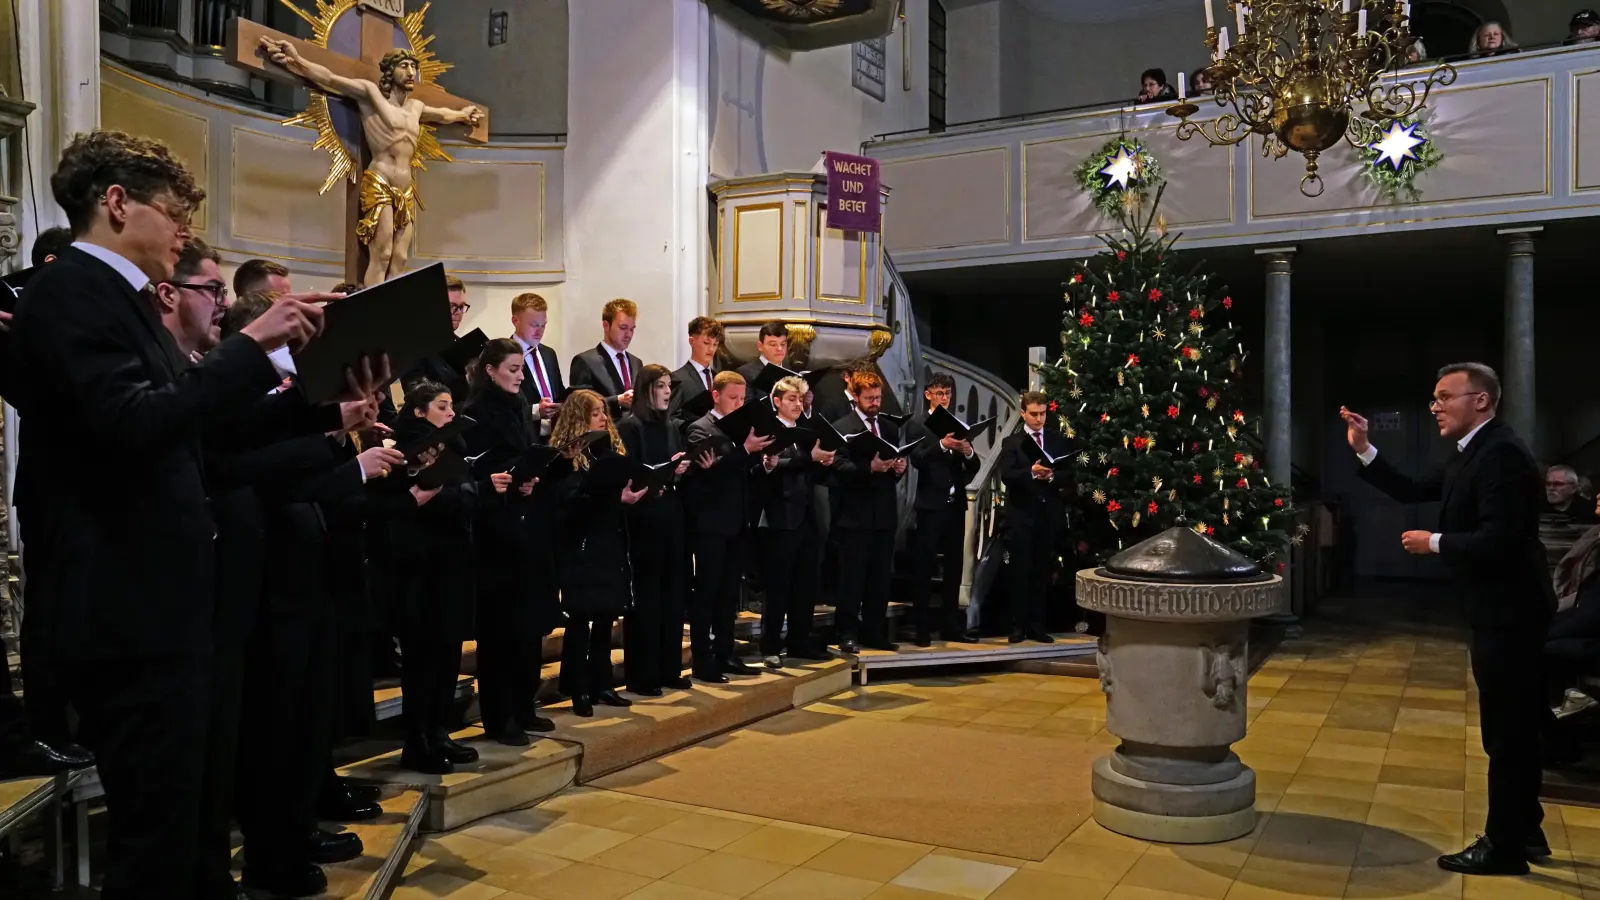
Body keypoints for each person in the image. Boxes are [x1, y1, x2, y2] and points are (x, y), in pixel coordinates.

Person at [10, 129, 333, 900]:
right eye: (172, 211)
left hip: (163, 612)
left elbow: (197, 432)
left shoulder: (118, 301)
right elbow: (133, 422)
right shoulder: (73, 292)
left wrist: (324, 410)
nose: (182, 230)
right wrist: (252, 346)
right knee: (153, 845)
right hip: (126, 614)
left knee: (183, 832)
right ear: (115, 203)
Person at [1340, 362, 1553, 876]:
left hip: (1512, 612)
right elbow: (1413, 486)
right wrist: (1364, 447)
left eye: (1444, 397)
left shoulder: (1500, 455)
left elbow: (1502, 540)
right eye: (1434, 398)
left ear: (1480, 400)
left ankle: (1504, 847)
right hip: (1499, 610)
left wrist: (1432, 543)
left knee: (1506, 732)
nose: (1435, 406)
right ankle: (1524, 828)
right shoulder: (1473, 450)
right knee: (1511, 727)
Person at [258, 39, 483, 285]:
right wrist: (297, 60)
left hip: (406, 189)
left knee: (399, 257)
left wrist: (463, 114)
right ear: (389, 71)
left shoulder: (416, 108)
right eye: (404, 66)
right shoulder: (371, 95)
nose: (410, 72)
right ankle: (372, 313)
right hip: (381, 179)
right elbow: (331, 79)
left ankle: (393, 313)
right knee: (383, 253)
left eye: (413, 67)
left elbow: (443, 115)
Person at [377, 382, 488, 774]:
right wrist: (450, 494)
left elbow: (467, 493)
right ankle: (417, 741)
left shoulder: (453, 447)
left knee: (447, 654)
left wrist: (454, 494)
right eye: (442, 407)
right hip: (418, 565)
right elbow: (407, 499)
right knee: (422, 659)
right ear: (420, 412)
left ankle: (440, 733)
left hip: (453, 562)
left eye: (451, 406)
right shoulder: (401, 447)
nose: (451, 413)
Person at [461, 339, 556, 745]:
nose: (520, 376)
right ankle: (499, 718)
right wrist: (497, 482)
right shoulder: (473, 413)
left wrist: (531, 476)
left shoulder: (519, 407)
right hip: (494, 529)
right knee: (500, 630)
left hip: (524, 523)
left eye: (521, 369)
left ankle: (523, 705)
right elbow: (470, 471)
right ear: (490, 370)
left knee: (527, 625)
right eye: (513, 369)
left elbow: (522, 453)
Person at [548, 389, 648, 716]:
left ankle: (603, 683)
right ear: (578, 417)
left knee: (606, 617)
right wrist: (611, 497)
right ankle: (578, 688)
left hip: (609, 540)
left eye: (604, 412)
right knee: (581, 621)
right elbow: (565, 505)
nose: (604, 418)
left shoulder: (608, 450)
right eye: (595, 414)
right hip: (581, 545)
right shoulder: (564, 457)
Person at [685, 372, 772, 681]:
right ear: (715, 396)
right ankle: (703, 660)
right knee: (707, 593)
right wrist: (745, 452)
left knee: (728, 596)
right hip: (710, 522)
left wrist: (761, 461)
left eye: (741, 398)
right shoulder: (700, 429)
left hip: (737, 520)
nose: (738, 403)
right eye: (732, 398)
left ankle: (726, 654)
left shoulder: (743, 429)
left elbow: (738, 471)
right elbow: (712, 473)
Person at [617, 364, 695, 695]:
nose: (667, 391)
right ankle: (643, 675)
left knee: (673, 594)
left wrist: (679, 468)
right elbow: (628, 470)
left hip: (670, 515)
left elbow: (671, 468)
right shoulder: (629, 426)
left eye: (668, 386)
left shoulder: (671, 427)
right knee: (647, 597)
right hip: (643, 518)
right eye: (661, 386)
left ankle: (668, 669)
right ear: (646, 388)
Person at [751, 376, 837, 668]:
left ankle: (800, 642)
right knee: (778, 587)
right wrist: (809, 459)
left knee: (805, 585)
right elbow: (772, 468)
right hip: (778, 518)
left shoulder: (806, 432)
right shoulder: (768, 432)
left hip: (806, 517)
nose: (797, 404)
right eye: (791, 399)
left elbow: (813, 475)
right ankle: (771, 645)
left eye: (800, 399)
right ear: (777, 401)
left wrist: (823, 463)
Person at [830, 371, 906, 653]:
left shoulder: (888, 427)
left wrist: (898, 469)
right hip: (854, 514)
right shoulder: (843, 426)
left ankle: (875, 632)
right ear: (857, 397)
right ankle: (847, 632)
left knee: (879, 577)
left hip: (884, 514)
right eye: (869, 398)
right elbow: (838, 467)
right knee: (852, 578)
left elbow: (893, 462)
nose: (875, 403)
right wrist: (868, 469)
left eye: (878, 397)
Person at [907, 374, 981, 645]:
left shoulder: (958, 425)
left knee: (953, 568)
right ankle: (923, 628)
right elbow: (918, 459)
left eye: (947, 393)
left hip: (954, 505)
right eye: (938, 393)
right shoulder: (918, 424)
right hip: (930, 505)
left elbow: (972, 467)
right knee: (924, 568)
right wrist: (942, 445)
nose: (944, 397)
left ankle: (951, 626)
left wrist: (968, 451)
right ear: (928, 394)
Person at [999, 391, 1074, 643]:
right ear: (1023, 414)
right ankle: (1017, 626)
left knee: (1041, 572)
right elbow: (1007, 475)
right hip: (1021, 514)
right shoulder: (1013, 442)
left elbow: (1068, 473)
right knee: (1019, 572)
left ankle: (1037, 626)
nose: (1039, 418)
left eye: (1042, 414)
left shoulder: (1055, 440)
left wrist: (1052, 476)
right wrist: (1030, 472)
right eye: (1033, 414)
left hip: (1046, 514)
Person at [400, 274, 472, 400]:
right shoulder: (413, 345)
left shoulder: (461, 344)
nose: (458, 313)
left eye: (461, 307)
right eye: (452, 306)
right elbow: (419, 395)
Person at [569, 298, 643, 419]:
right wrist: (617, 401)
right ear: (606, 325)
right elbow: (579, 405)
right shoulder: (585, 361)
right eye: (623, 328)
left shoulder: (636, 362)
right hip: (605, 432)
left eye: (632, 329)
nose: (628, 334)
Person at [511, 291, 563, 431]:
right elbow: (501, 407)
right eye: (534, 325)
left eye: (543, 325)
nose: (539, 331)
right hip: (525, 435)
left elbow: (558, 391)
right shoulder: (504, 355)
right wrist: (535, 411)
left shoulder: (549, 353)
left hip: (555, 435)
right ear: (515, 321)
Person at [670, 315, 723, 424]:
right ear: (692, 341)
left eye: (715, 344)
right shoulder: (677, 378)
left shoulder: (719, 378)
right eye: (706, 343)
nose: (711, 349)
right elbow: (670, 418)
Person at [737, 320, 790, 385]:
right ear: (760, 346)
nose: (780, 349)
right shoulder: (745, 373)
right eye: (773, 344)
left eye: (783, 344)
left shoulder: (792, 371)